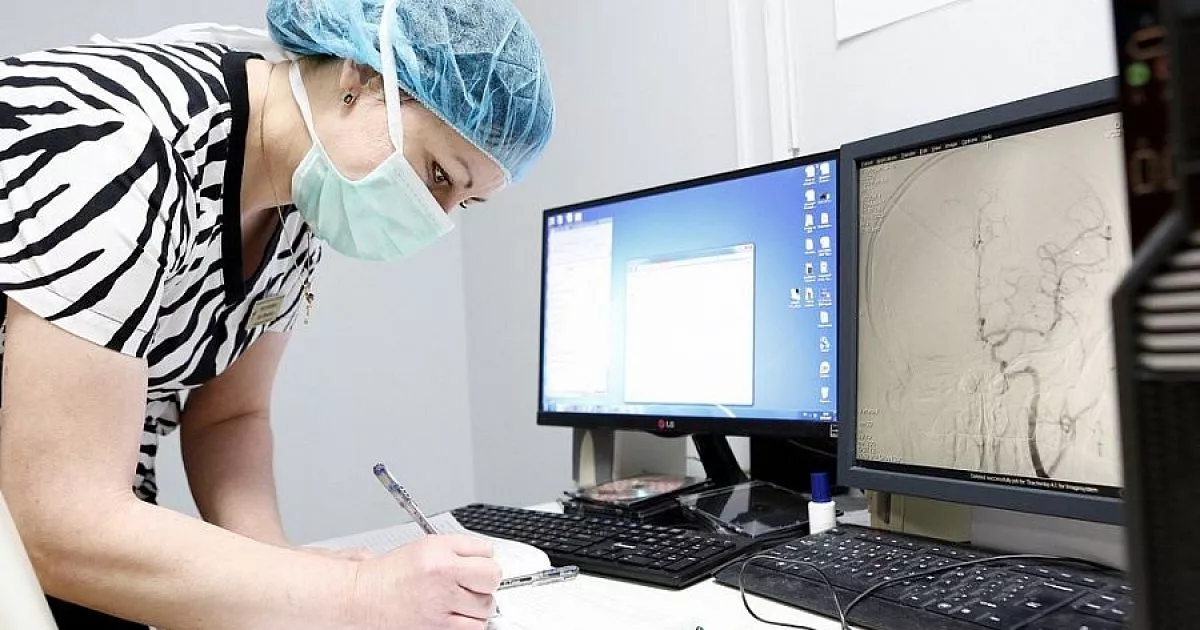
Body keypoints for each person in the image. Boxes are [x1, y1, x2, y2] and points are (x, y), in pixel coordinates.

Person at [0, 0, 554, 627]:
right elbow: (59, 519)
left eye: (465, 202)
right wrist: (355, 596)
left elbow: (230, 415)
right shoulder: (118, 148)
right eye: (436, 174)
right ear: (358, 76)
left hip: (78, 526)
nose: (437, 216)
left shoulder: (299, 204)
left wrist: (280, 569)